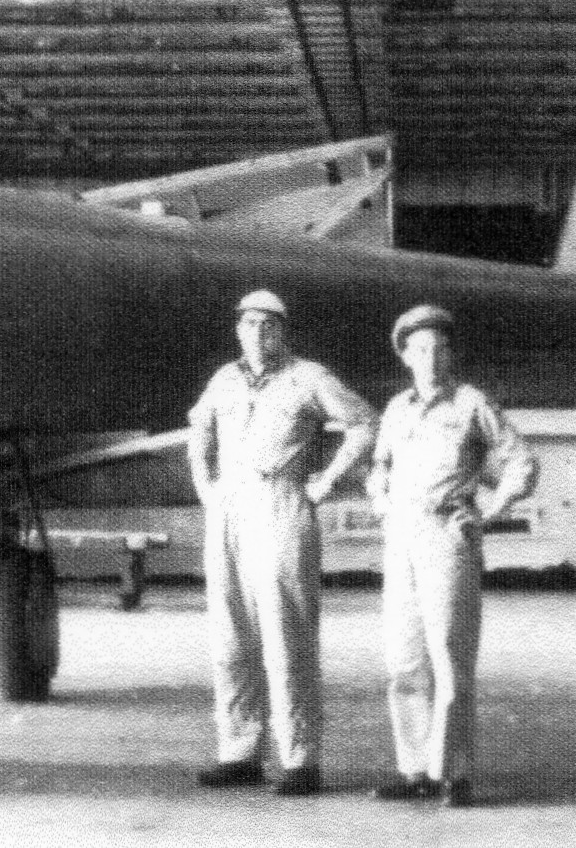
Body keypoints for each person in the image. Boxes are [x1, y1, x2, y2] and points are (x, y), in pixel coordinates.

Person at [187, 289, 376, 793]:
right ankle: (239, 752)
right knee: (230, 637)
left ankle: (300, 761)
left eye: (269, 325)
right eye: (249, 324)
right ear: (237, 330)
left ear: (284, 331)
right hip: (229, 508)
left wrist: (326, 482)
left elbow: (363, 423)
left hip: (280, 503)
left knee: (285, 636)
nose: (258, 333)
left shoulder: (308, 377)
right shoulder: (225, 380)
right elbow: (199, 428)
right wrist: (206, 488)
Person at [366, 305, 537, 809]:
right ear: (405, 356)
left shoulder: (471, 403)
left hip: (447, 537)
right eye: (421, 350)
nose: (432, 359)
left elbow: (522, 462)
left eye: (441, 349)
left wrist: (489, 511)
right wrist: (381, 501)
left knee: (449, 654)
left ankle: (454, 773)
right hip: (402, 538)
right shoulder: (396, 409)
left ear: (452, 354)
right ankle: (416, 770)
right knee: (404, 658)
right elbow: (379, 467)